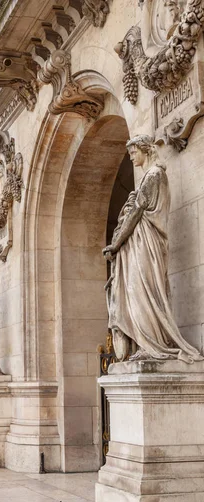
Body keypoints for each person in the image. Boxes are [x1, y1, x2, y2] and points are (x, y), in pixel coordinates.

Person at [103, 134, 203, 363]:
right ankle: (146, 342)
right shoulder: (150, 176)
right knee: (138, 290)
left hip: (146, 244)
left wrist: (115, 244)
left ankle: (152, 343)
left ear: (145, 150)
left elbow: (137, 211)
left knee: (142, 290)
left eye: (133, 152)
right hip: (141, 243)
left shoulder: (154, 175)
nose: (131, 158)